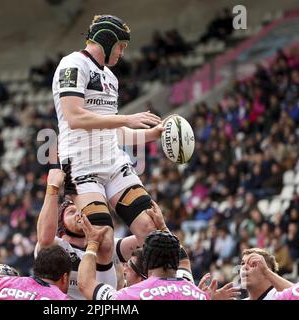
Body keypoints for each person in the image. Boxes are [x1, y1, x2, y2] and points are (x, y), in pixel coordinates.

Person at [52, 14, 166, 249]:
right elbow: (74, 117)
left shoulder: (111, 78)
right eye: (120, 46)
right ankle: (110, 285)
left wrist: (152, 134)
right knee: (102, 239)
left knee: (151, 229)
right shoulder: (72, 64)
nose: (122, 53)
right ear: (107, 40)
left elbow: (112, 131)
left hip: (113, 161)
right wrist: (127, 118)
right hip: (82, 165)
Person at [36, 168, 172, 299]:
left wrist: (160, 226)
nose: (79, 213)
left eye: (81, 209)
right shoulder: (56, 247)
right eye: (71, 212)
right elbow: (44, 239)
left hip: (101, 306)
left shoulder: (108, 242)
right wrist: (52, 190)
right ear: (61, 223)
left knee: (107, 244)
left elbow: (150, 239)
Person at [77, 217, 239, 300]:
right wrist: (162, 226)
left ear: (145, 261)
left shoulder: (129, 295)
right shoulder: (198, 294)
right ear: (175, 261)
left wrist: (92, 244)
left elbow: (86, 284)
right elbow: (184, 260)